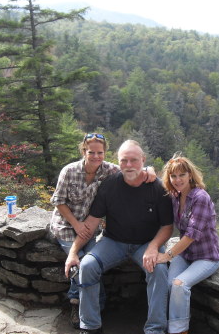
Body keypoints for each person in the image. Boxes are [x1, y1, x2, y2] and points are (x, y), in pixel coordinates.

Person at [65, 139, 174, 334]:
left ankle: (155, 329)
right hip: (113, 241)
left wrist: (153, 247)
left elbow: (167, 226)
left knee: (159, 270)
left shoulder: (158, 188)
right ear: (118, 161)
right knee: (87, 266)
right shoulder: (109, 185)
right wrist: (73, 252)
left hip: (146, 244)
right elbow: (92, 222)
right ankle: (90, 326)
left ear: (143, 160)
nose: (129, 165)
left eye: (134, 160)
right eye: (124, 160)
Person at [50, 133, 156, 329]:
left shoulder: (108, 170)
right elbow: (58, 202)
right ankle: (78, 303)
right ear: (84, 151)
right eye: (91, 152)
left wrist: (149, 169)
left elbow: (131, 169)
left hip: (90, 226)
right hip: (66, 225)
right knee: (79, 262)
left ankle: (95, 306)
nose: (96, 156)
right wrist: (75, 224)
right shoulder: (70, 171)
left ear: (105, 153)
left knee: (90, 263)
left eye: (100, 153)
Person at [157, 154, 219, 334]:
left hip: (206, 257)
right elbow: (154, 187)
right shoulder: (176, 197)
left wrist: (167, 255)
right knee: (168, 284)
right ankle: (167, 325)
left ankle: (179, 331)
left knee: (179, 285)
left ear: (190, 175)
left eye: (182, 175)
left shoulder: (200, 197)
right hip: (186, 255)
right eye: (173, 176)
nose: (178, 180)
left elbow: (192, 234)